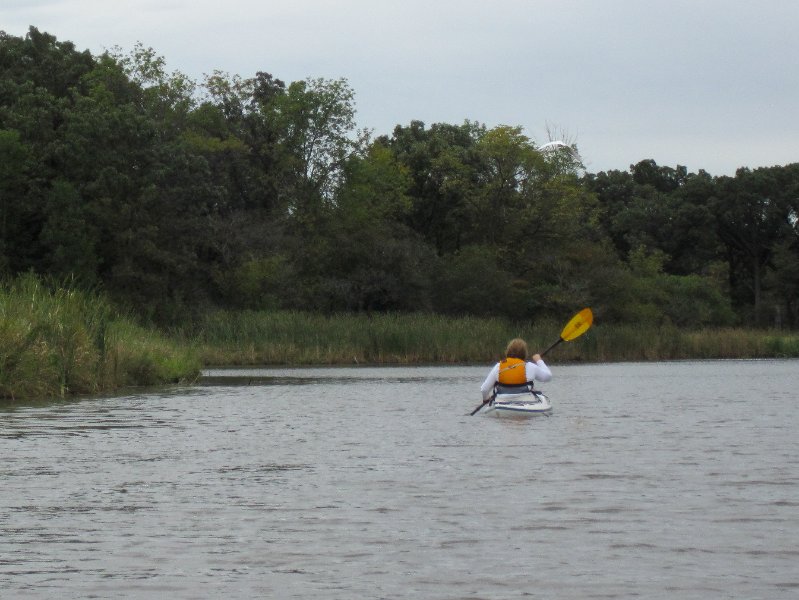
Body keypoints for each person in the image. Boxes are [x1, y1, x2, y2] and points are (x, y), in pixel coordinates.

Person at [480, 338, 552, 402]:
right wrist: (539, 360)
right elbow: (548, 377)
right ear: (524, 353)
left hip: (501, 402)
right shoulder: (530, 366)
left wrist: (486, 399)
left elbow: (484, 389)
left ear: (508, 351)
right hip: (526, 401)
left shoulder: (498, 366)